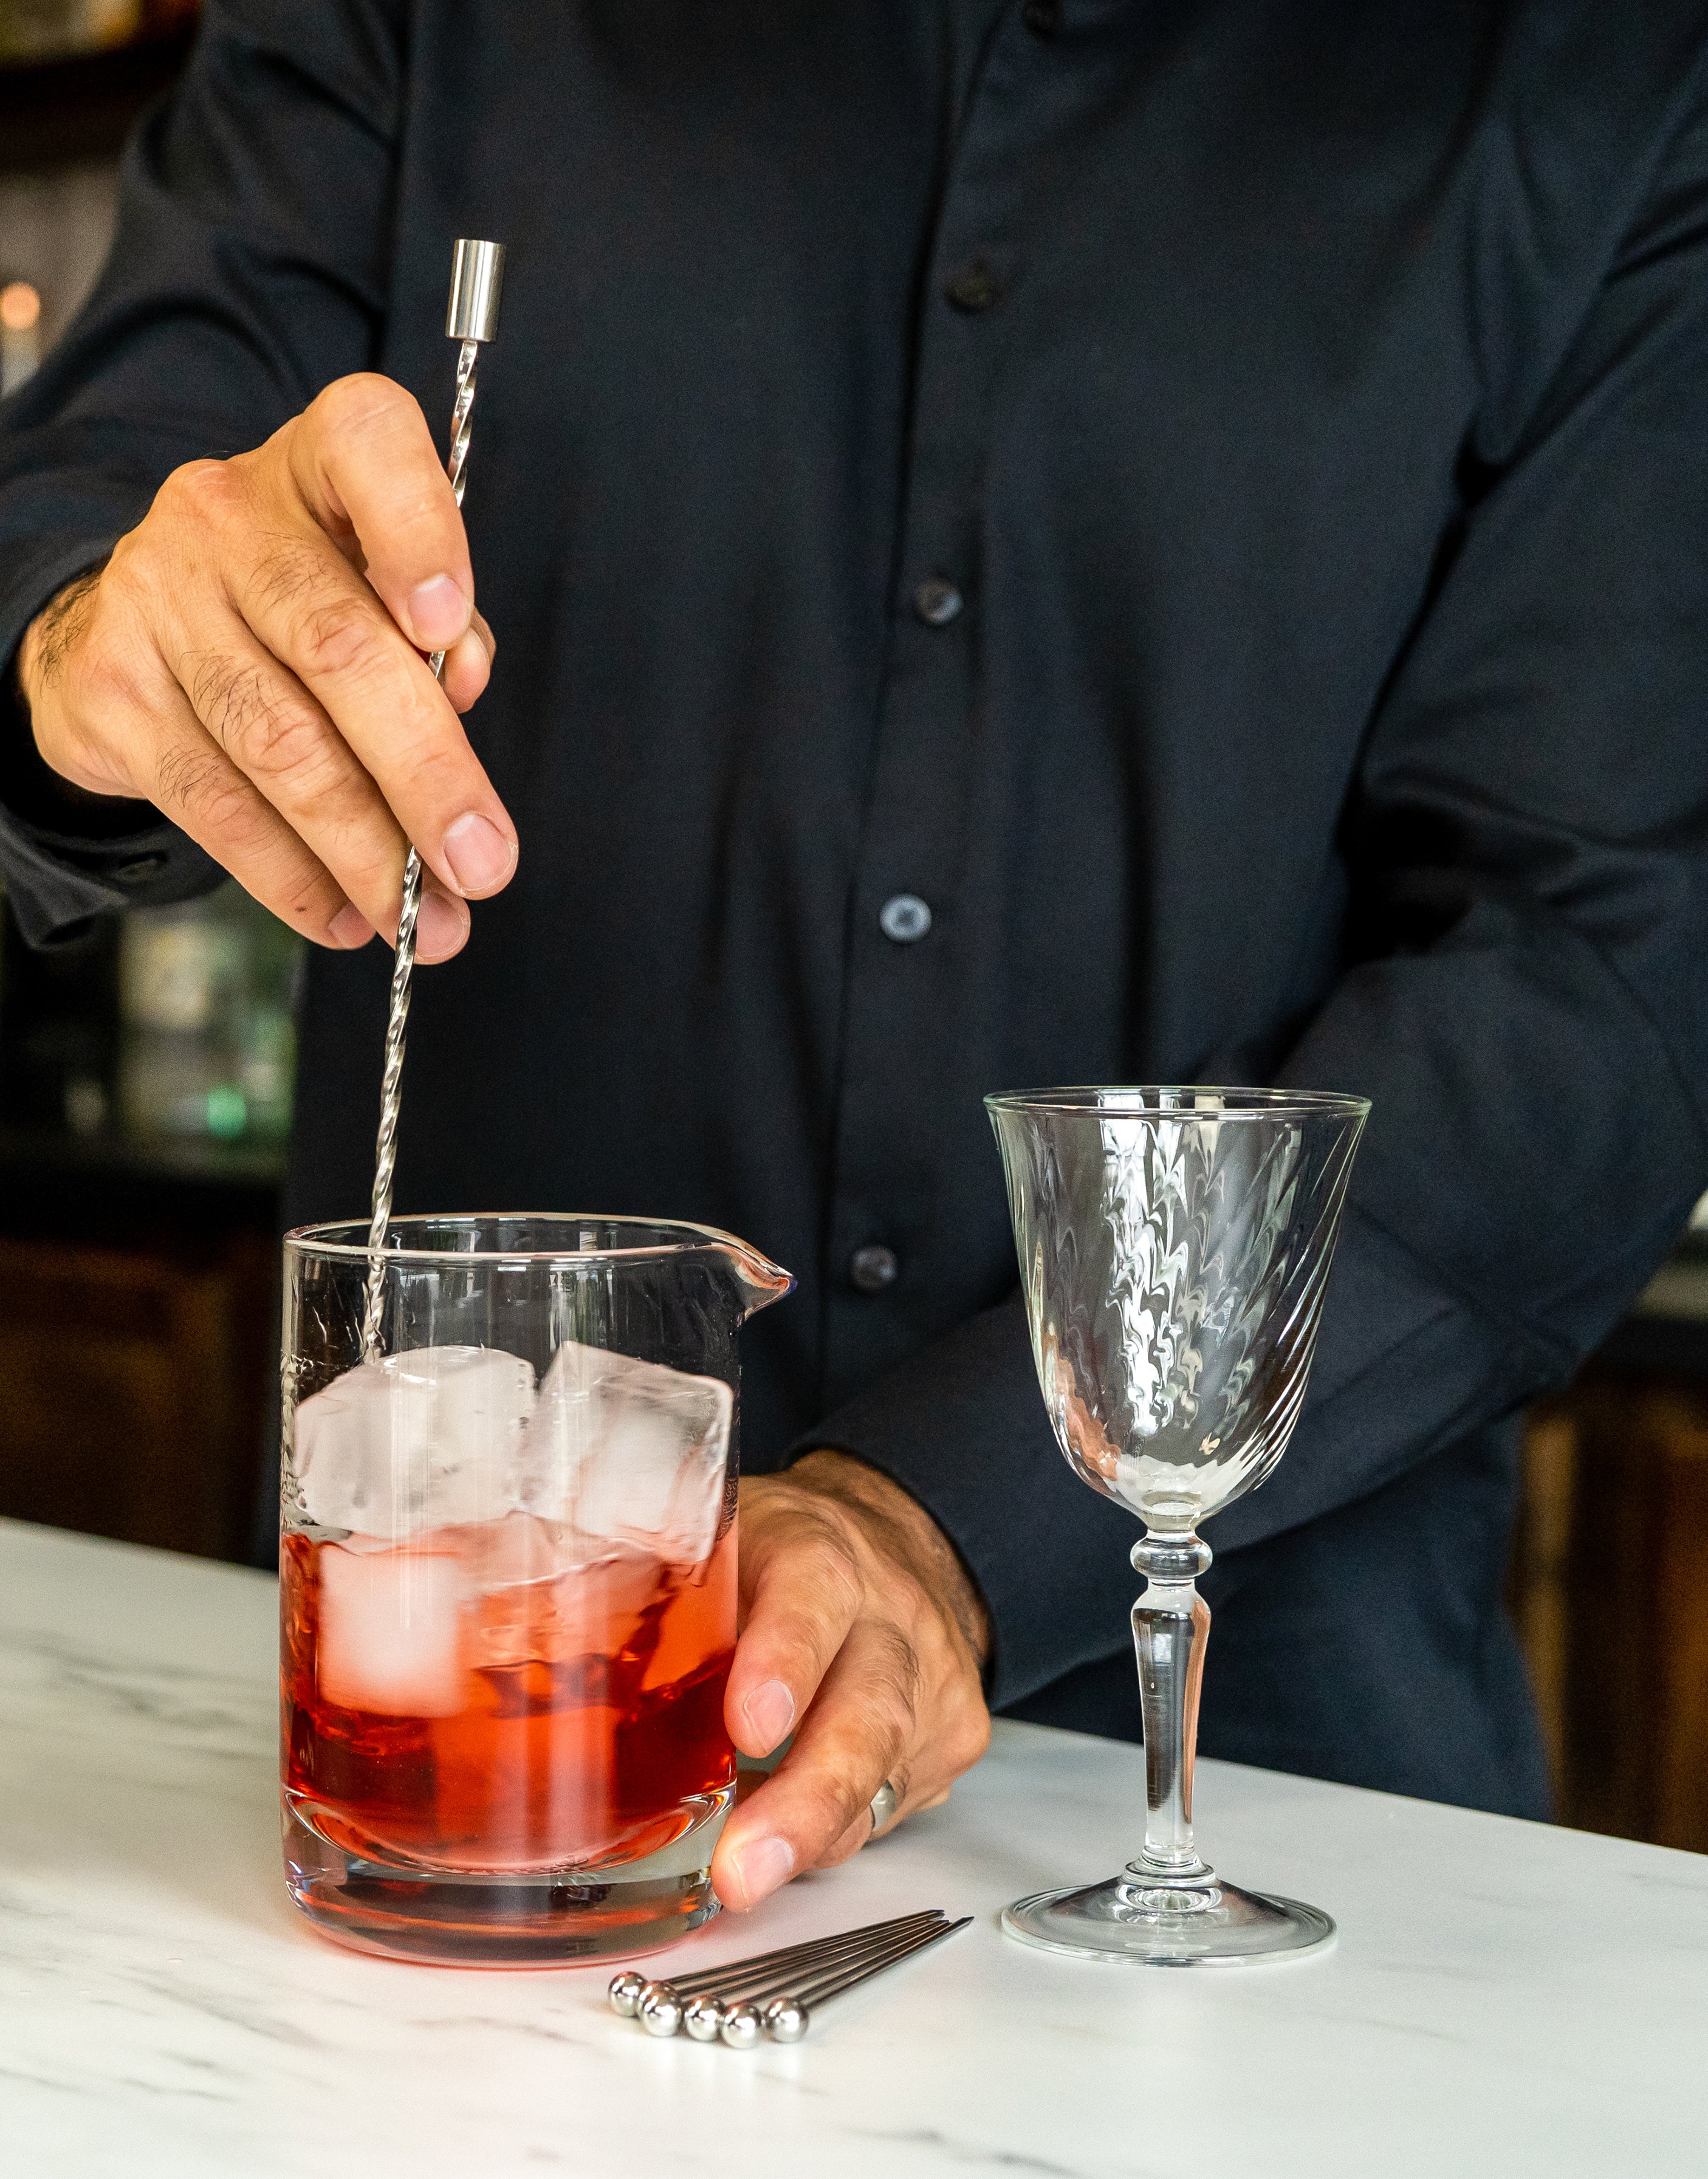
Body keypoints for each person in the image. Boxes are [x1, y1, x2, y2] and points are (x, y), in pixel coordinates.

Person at [3, 0, 1707, 1911]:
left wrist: (949, 1513)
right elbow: (93, 493)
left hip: (1258, 1838)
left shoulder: (1604, 73)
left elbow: (1594, 977)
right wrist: (89, 641)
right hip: (473, 1789)